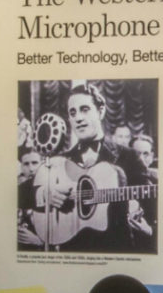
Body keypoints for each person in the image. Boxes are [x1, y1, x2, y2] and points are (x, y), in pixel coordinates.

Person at [52, 83, 153, 252]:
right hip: (72, 253)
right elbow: (21, 192)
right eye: (72, 113)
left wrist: (149, 230)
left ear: (101, 111)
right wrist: (46, 194)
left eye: (85, 109)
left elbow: (153, 205)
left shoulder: (128, 157)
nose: (78, 118)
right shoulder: (61, 161)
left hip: (115, 252)